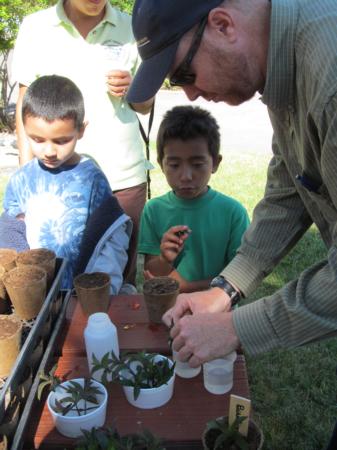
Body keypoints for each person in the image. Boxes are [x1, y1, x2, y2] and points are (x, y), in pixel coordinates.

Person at [126, 0, 337, 365]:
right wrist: (225, 289)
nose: (189, 94)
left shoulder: (329, 76)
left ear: (223, 25)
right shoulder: (278, 65)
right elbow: (291, 186)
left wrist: (236, 327)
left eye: (184, 75)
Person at [11, 0, 154, 287]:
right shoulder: (36, 27)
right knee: (52, 275)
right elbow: (24, 107)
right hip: (55, 180)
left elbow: (145, 105)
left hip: (123, 177)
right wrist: (28, 175)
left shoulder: (133, 27)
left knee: (113, 278)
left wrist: (134, 87)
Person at [1, 75, 132, 293]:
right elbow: (11, 233)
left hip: (78, 292)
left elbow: (110, 236)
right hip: (35, 294)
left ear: (81, 129)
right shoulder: (21, 180)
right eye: (38, 140)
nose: (50, 151)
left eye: (62, 141)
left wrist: (100, 286)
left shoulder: (92, 179)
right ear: (24, 129)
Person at [138, 105, 249, 293]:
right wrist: (164, 259)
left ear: (215, 163)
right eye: (174, 165)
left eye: (197, 164)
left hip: (217, 312)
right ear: (161, 164)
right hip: (168, 311)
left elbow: (240, 279)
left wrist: (186, 287)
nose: (186, 176)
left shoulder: (233, 213)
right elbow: (152, 274)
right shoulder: (153, 210)